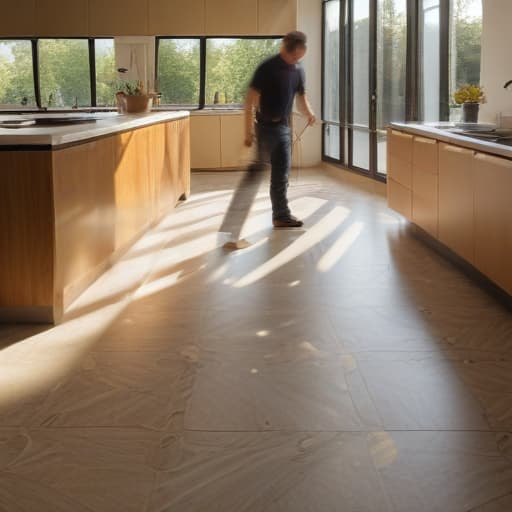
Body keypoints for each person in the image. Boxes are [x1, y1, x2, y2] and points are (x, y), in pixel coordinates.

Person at [244, 30, 316, 228]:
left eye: (299, 56)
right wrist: (248, 131)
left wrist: (309, 113)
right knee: (256, 173)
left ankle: (281, 216)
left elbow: (301, 96)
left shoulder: (298, 70)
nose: (296, 59)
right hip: (265, 128)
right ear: (288, 48)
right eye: (294, 55)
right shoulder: (267, 67)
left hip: (284, 128)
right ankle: (238, 216)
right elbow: (250, 99)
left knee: (281, 175)